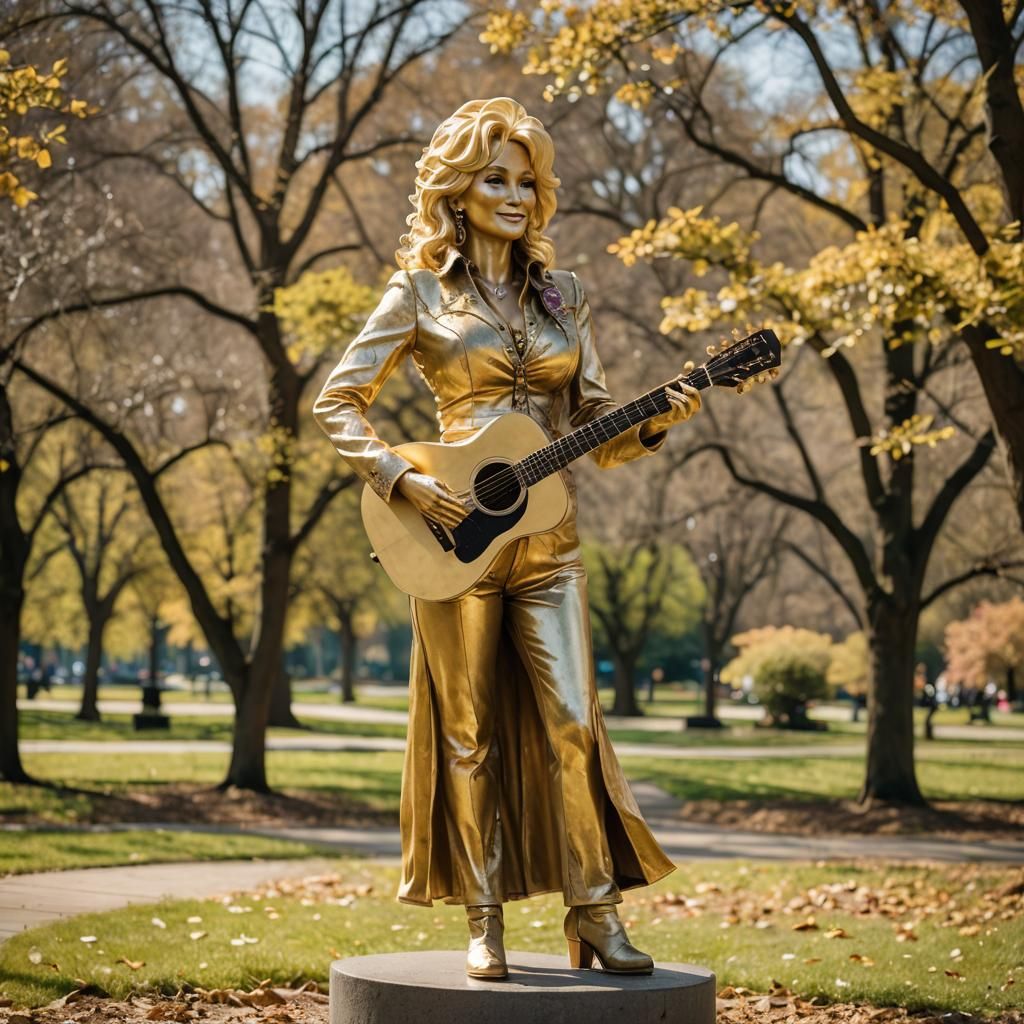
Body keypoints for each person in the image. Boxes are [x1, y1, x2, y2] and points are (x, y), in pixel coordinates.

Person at [312, 97, 701, 980]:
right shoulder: (417, 292)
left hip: (550, 537)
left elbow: (596, 423)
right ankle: (482, 917)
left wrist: (655, 420)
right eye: (498, 178)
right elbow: (337, 401)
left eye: (529, 181)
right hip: (450, 538)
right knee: (469, 734)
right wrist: (403, 478)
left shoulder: (567, 296)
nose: (519, 195)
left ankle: (595, 913)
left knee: (574, 724)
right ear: (458, 191)